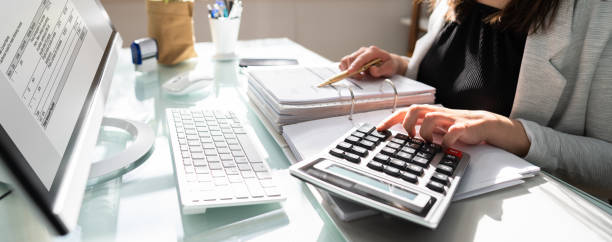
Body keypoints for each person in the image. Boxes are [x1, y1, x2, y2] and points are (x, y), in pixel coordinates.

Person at [339, 0, 612, 200]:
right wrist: (400, 66)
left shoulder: (600, 15)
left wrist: (510, 131)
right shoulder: (452, 4)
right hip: (422, 178)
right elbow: (457, 82)